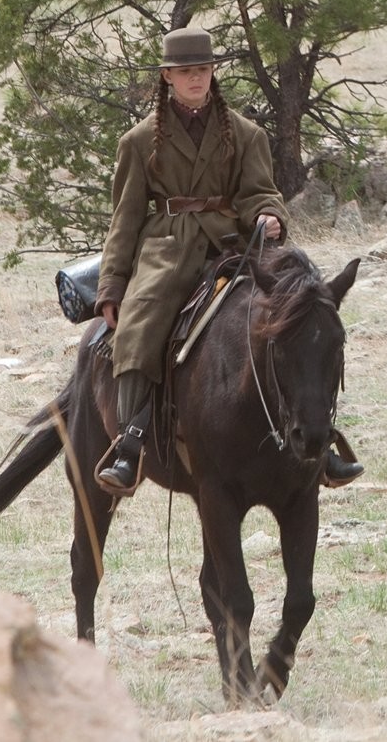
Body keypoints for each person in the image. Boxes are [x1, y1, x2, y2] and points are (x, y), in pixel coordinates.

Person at [92, 26, 362, 495]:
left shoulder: (245, 133)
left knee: (303, 321)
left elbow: (261, 191)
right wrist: (113, 287)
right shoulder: (137, 142)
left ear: (213, 73)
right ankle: (129, 444)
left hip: (234, 246)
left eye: (203, 70)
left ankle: (322, 443)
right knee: (138, 329)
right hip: (167, 251)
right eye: (186, 72)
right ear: (168, 77)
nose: (195, 79)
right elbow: (126, 219)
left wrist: (269, 216)